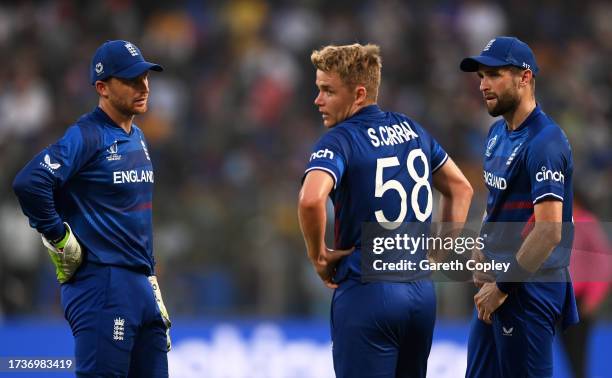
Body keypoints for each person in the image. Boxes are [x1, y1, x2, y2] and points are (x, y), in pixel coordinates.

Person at [298, 43, 473, 378]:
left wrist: (318, 256)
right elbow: (461, 187)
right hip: (421, 293)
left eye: (327, 91)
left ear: (359, 93)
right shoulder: (413, 130)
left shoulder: (340, 140)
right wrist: (440, 252)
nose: (317, 100)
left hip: (368, 293)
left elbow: (310, 199)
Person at [13, 40, 170, 377]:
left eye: (145, 77)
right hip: (102, 285)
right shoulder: (87, 135)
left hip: (140, 288)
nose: (143, 87)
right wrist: (58, 237)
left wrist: (151, 281)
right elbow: (30, 182)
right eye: (130, 80)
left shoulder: (138, 137)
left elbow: (133, 218)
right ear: (102, 88)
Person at [459, 36, 579, 377]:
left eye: (494, 74)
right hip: (496, 284)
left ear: (524, 77)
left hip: (527, 289)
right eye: (481, 76)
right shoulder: (497, 133)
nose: (483, 85)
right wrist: (481, 247)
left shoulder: (545, 142)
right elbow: (496, 200)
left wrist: (502, 287)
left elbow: (549, 231)